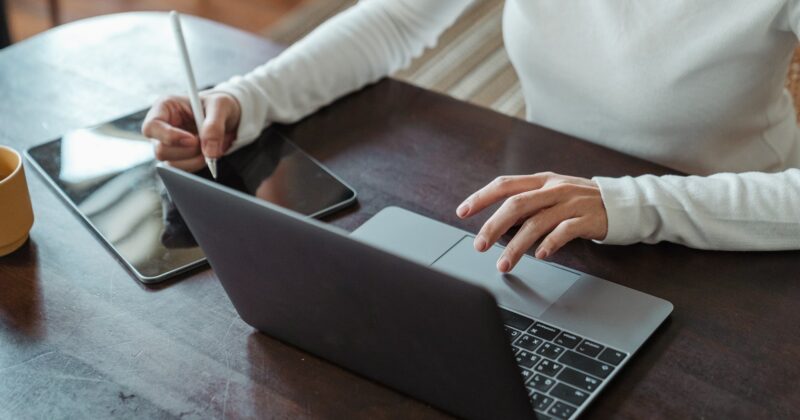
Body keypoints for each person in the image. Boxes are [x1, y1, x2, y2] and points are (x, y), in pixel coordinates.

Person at [143, 0, 800, 273]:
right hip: (550, 220)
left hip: (734, 236)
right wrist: (245, 97)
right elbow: (397, 18)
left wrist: (628, 204)